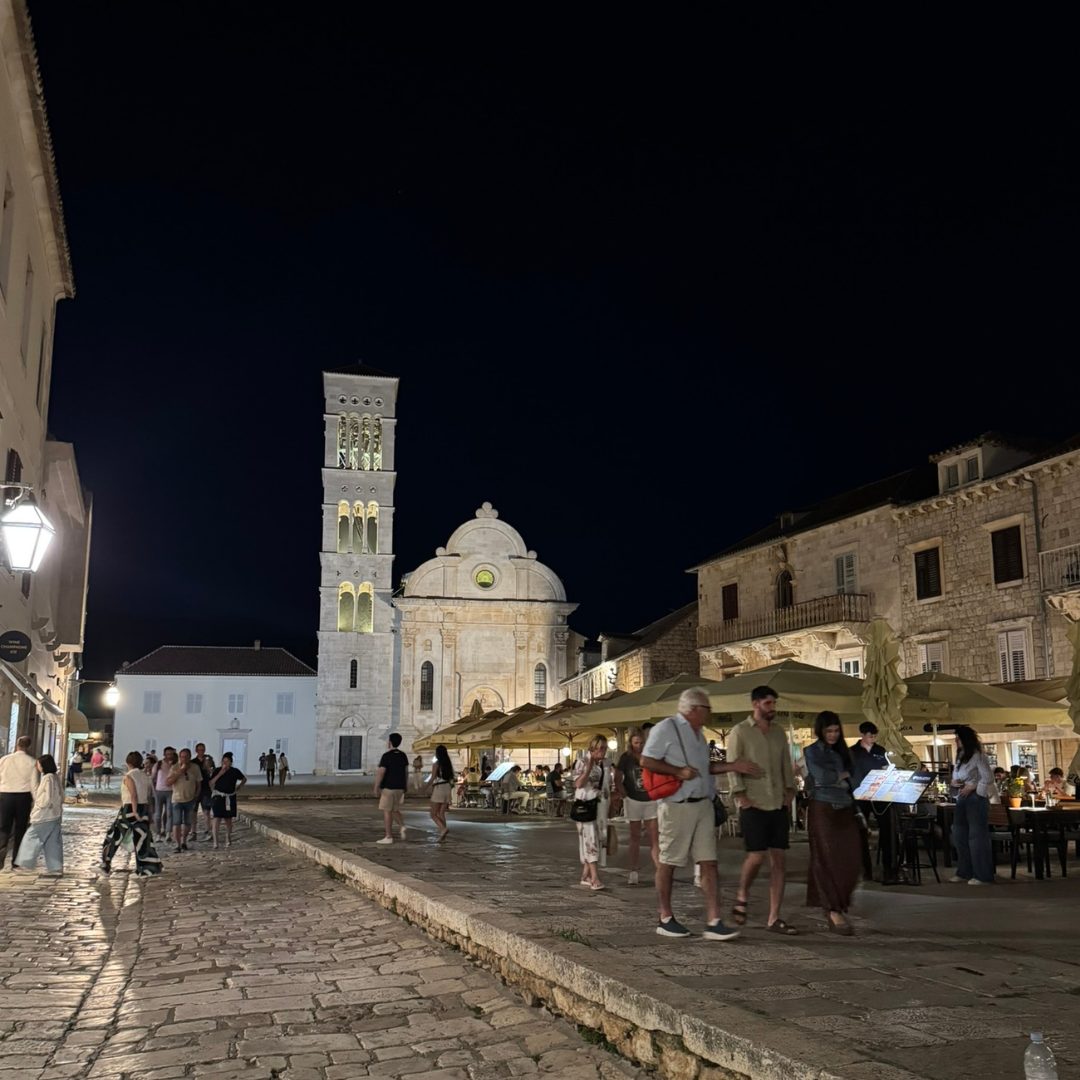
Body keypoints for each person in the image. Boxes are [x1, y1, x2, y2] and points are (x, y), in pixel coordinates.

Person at [641, 688, 762, 940]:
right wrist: (677, 771)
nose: (711, 713)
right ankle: (665, 917)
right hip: (677, 805)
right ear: (694, 709)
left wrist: (733, 766)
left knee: (709, 861)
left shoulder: (699, 735)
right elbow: (647, 760)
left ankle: (713, 920)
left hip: (703, 803)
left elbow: (704, 768)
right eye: (707, 708)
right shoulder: (667, 728)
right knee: (669, 861)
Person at [728, 685, 798, 935]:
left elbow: (785, 764)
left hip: (777, 801)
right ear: (756, 704)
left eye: (774, 703)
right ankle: (742, 893)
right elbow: (734, 764)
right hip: (754, 802)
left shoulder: (779, 732)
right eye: (769, 703)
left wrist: (790, 790)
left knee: (779, 860)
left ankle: (774, 917)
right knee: (756, 855)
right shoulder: (740, 732)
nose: (773, 708)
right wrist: (740, 795)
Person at [804, 712, 863, 935]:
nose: (833, 735)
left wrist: (839, 776)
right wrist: (841, 776)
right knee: (826, 858)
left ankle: (839, 903)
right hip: (823, 807)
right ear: (820, 731)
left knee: (851, 860)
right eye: (829, 731)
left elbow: (855, 778)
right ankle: (833, 909)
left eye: (836, 731)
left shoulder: (843, 752)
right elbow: (822, 777)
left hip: (845, 806)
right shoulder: (811, 751)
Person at [849, 721, 897, 884]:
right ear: (862, 735)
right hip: (860, 795)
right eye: (870, 736)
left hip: (880, 794)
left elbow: (886, 767)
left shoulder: (880, 750)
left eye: (875, 736)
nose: (872, 739)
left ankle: (888, 868)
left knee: (887, 830)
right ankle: (864, 869)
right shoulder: (852, 752)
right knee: (860, 832)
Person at [101, 751, 162, 877]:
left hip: (129, 809)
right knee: (143, 839)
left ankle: (105, 864)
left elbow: (133, 795)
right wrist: (149, 813)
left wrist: (134, 811)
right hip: (144, 808)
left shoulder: (129, 776)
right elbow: (149, 796)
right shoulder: (145, 776)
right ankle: (148, 867)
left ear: (128, 762)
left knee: (114, 835)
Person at [949, 725, 995, 885]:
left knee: (976, 836)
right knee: (959, 834)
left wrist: (973, 786)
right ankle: (964, 871)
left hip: (975, 798)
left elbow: (988, 777)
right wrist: (955, 782)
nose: (956, 741)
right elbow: (957, 775)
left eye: (958, 738)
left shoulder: (978, 756)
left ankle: (982, 874)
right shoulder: (961, 756)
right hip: (961, 796)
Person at [615, 726, 659, 885]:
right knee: (635, 837)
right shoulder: (626, 758)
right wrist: (623, 793)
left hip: (650, 799)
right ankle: (633, 870)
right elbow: (618, 777)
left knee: (655, 838)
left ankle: (659, 871)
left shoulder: (651, 755)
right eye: (636, 742)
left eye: (641, 742)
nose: (639, 745)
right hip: (633, 799)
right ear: (630, 743)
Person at [14, 754, 63, 876]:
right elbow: (61, 796)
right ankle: (55, 867)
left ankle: (25, 864)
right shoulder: (55, 777)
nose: (37, 766)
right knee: (52, 842)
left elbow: (45, 799)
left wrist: (37, 808)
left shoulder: (47, 778)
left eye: (38, 764)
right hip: (55, 814)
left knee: (31, 837)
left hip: (44, 815)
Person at [572, 736, 611, 891]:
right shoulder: (582, 761)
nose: (603, 751)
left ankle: (586, 874)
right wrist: (588, 767)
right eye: (600, 748)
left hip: (599, 805)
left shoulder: (604, 764)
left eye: (605, 748)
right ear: (592, 748)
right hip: (586, 805)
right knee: (590, 839)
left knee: (598, 838)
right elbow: (578, 783)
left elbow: (606, 786)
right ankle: (594, 877)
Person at [0, 735, 38, 870]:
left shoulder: (4, 760)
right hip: (23, 797)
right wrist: (36, 802)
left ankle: (0, 857)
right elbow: (34, 785)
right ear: (29, 746)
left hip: (5, 795)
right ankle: (16, 861)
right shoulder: (31, 762)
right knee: (20, 829)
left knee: (4, 827)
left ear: (17, 744)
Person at [374, 733, 409, 845]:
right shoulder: (403, 755)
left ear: (390, 742)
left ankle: (388, 836)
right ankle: (402, 826)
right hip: (400, 787)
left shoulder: (386, 756)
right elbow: (406, 772)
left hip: (389, 788)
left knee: (387, 811)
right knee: (394, 809)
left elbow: (381, 772)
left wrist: (376, 786)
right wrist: (405, 786)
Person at [166, 748, 203, 853]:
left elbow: (198, 783)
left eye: (186, 756)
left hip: (190, 799)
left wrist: (196, 795)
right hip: (177, 799)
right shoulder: (174, 767)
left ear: (190, 757)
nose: (184, 759)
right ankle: (177, 844)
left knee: (188, 822)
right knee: (176, 823)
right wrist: (180, 771)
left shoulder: (195, 768)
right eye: (182, 757)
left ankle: (184, 841)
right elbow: (168, 782)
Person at [209, 752, 247, 847]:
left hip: (229, 797)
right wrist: (220, 774)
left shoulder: (235, 771)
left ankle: (228, 837)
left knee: (228, 819)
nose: (225, 763)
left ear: (231, 762)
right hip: (218, 796)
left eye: (227, 761)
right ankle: (215, 841)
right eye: (223, 761)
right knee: (216, 818)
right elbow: (211, 782)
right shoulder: (217, 770)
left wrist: (239, 787)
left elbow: (244, 779)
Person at [428, 744, 454, 840]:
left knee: (433, 814)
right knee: (441, 813)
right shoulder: (448, 763)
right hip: (447, 787)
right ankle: (443, 833)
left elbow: (433, 777)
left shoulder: (437, 763)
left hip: (439, 788)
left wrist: (426, 786)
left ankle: (443, 829)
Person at [151, 747, 177, 840]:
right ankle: (158, 832)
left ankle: (168, 833)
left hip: (171, 791)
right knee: (158, 813)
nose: (169, 756)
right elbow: (153, 778)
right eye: (168, 754)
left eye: (171, 754)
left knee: (169, 813)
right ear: (164, 754)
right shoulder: (158, 764)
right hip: (159, 791)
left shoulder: (175, 765)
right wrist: (153, 790)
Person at [193, 743, 215, 841]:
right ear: (196, 751)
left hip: (206, 789)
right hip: (195, 789)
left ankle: (208, 831)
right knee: (193, 812)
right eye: (199, 750)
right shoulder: (193, 762)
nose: (201, 751)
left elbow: (213, 774)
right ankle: (193, 832)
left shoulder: (209, 760)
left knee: (206, 811)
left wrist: (209, 768)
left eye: (203, 749)